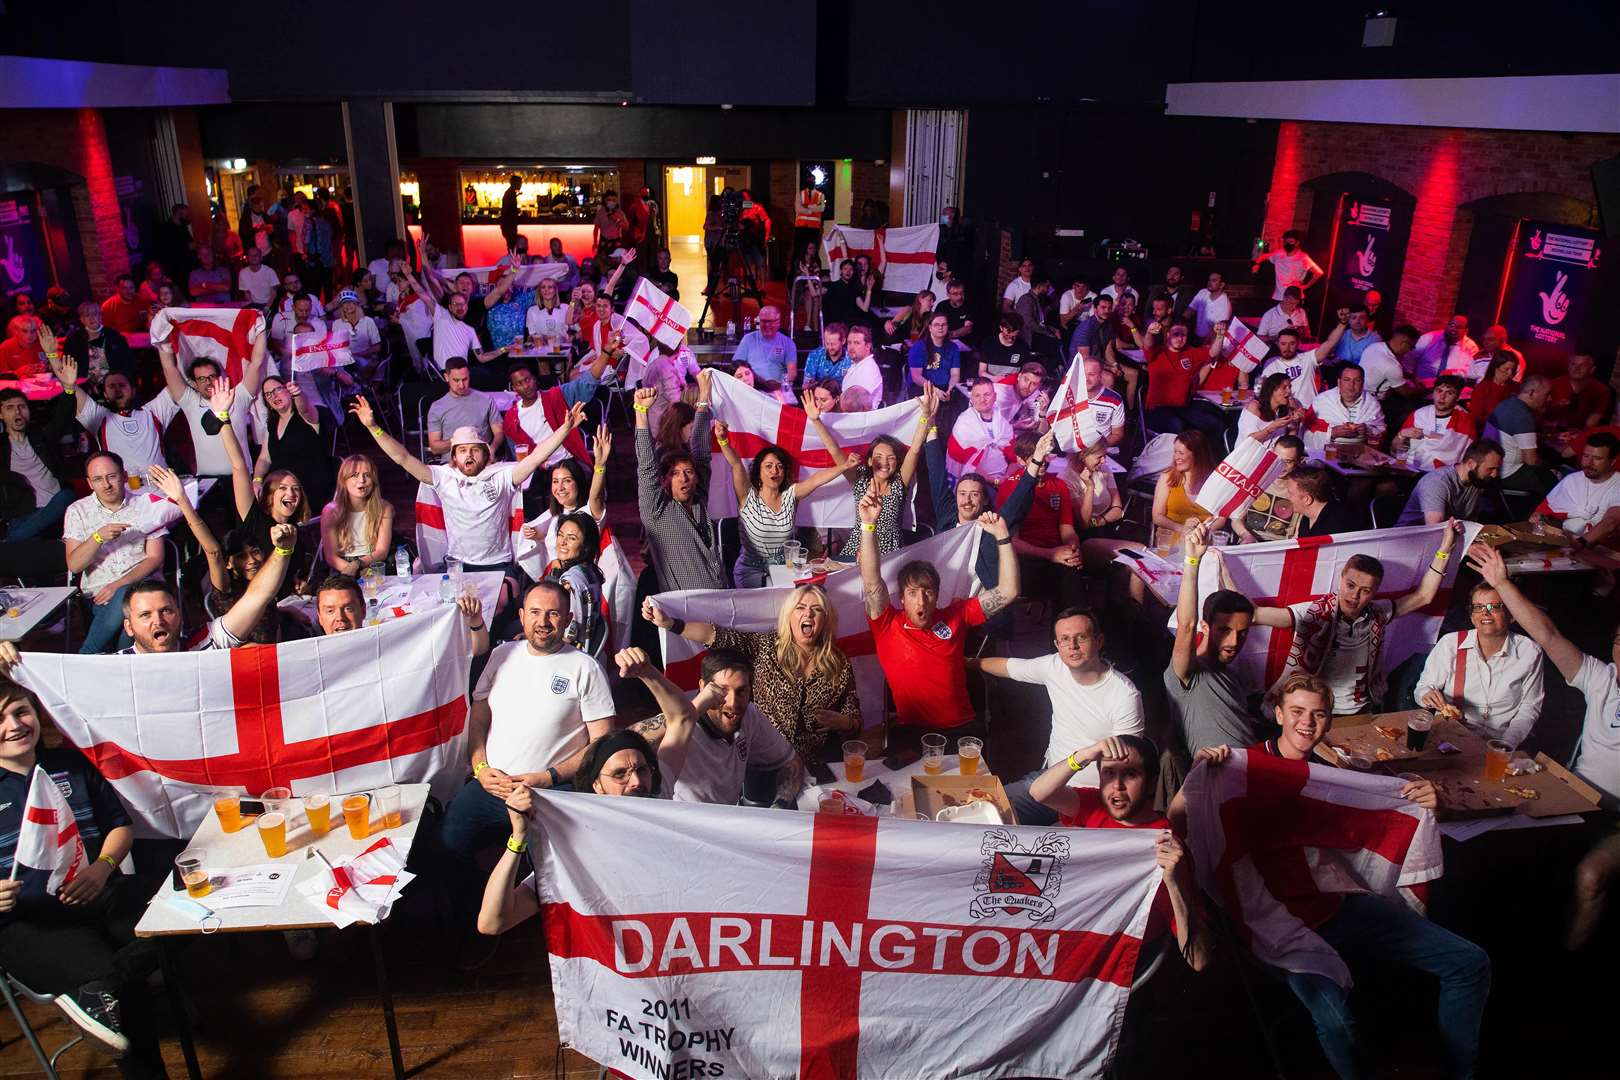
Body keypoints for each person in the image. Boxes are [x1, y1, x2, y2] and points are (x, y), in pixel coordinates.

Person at [1176, 675, 1486, 1080]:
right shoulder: (1241, 767)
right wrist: (1200, 776)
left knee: (1470, 963)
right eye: (1299, 712)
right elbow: (1179, 818)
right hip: (1277, 921)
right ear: (1279, 714)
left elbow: (1382, 806)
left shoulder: (1334, 769)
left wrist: (1425, 798)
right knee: (1338, 1024)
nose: (1308, 723)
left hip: (1340, 905)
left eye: (1319, 715)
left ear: (1328, 722)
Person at [0, 677, 169, 1077]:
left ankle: (94, 994)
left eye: (20, 711)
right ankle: (103, 990)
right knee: (127, 992)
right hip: (26, 922)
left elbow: (119, 827)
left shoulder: (70, 763)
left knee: (179, 915)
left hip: (98, 894)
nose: (14, 725)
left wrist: (102, 867)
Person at [1464, 542, 1619, 950]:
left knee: (1589, 877)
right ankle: (1514, 944)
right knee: (1507, 844)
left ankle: (1567, 969)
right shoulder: (1602, 678)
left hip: (1618, 819)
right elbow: (1547, 635)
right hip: (1576, 799)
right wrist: (1502, 583)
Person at [446, 580, 616, 940]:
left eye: (553, 613)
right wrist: (479, 768)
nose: (543, 621)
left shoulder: (584, 668)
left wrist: (546, 777)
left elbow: (601, 744)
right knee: (445, 845)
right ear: (521, 616)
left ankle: (552, 937)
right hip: (491, 785)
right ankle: (474, 924)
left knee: (562, 869)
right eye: (535, 612)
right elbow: (477, 718)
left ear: (568, 618)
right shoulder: (501, 655)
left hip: (552, 792)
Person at [353, 394, 585, 603]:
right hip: (458, 566)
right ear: (454, 456)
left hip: (498, 565)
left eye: (475, 449)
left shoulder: (502, 476)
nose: (469, 455)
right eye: (462, 450)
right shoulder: (443, 477)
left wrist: (564, 430)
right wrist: (374, 427)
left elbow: (535, 458)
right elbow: (402, 457)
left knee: (499, 603)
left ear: (485, 453)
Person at [1026, 735, 1210, 972]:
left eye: (1131, 774)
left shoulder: (1166, 845)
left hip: (1114, 959)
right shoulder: (1096, 806)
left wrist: (1174, 884)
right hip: (1073, 933)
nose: (1117, 786)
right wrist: (1084, 755)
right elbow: (1040, 792)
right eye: (1109, 773)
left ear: (1152, 784)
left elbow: (1199, 960)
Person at [1246, 524, 1462, 715]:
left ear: (1375, 592)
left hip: (1362, 710)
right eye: (1350, 585)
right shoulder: (1312, 612)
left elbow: (1424, 595)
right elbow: (1254, 614)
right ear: (1341, 579)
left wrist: (1444, 550)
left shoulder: (1379, 612)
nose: (1355, 596)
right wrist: (1220, 566)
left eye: (1365, 590)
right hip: (1315, 709)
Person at [859, 486, 1019, 743]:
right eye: (912, 593)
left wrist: (1002, 537)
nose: (921, 600)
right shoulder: (887, 624)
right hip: (911, 734)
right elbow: (871, 582)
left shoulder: (957, 613)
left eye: (928, 592)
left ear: (937, 595)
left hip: (962, 731)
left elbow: (1009, 591)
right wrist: (868, 526)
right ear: (901, 598)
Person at [475, 728, 664, 935]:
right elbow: (492, 923)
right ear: (597, 785)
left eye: (642, 770)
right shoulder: (576, 856)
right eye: (620, 774)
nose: (636, 782)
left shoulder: (674, 825)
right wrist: (518, 837)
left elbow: (680, 719)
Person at [644, 585, 863, 761]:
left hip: (816, 763)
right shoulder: (765, 647)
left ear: (825, 620)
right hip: (763, 755)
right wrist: (671, 624)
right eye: (800, 608)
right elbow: (715, 635)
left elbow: (855, 721)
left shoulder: (838, 663)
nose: (808, 613)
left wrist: (843, 723)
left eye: (817, 610)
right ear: (789, 616)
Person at [981, 608, 1145, 822]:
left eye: (1081, 638)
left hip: (1092, 797)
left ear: (1099, 641)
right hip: (1049, 782)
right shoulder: (1055, 666)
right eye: (1065, 639)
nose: (1072, 646)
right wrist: (966, 662)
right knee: (984, 811)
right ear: (1057, 645)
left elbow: (1128, 764)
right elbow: (1009, 667)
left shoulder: (1124, 695)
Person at [715, 399, 852, 587]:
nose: (774, 471)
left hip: (784, 570)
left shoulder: (790, 496)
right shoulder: (748, 496)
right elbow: (736, 464)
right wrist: (723, 440)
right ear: (759, 471)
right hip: (750, 572)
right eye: (769, 466)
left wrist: (844, 466)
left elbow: (815, 480)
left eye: (779, 467)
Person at [1166, 523, 1264, 754]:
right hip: (1219, 777)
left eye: (1242, 634)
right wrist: (1193, 561)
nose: (1233, 643)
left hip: (1256, 769)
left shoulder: (1232, 677)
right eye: (1224, 631)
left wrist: (1224, 573)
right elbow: (1186, 625)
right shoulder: (1187, 672)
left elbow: (1245, 611)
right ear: (1205, 626)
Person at [1414, 579, 1544, 747]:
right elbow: (1423, 688)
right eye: (1478, 607)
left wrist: (1506, 744)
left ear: (1511, 615)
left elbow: (1529, 709)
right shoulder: (1451, 644)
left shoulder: (1529, 651)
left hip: (1502, 739)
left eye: (1495, 607)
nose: (1485, 613)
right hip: (1452, 736)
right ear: (1472, 617)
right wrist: (1427, 695)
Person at [61, 451, 168, 655]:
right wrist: (97, 538)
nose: (106, 484)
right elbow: (74, 565)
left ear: (124, 476)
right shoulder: (77, 511)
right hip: (100, 598)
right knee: (129, 624)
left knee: (128, 597)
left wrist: (119, 584)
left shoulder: (146, 505)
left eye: (112, 476)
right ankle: (119, 667)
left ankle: (85, 656)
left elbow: (156, 558)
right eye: (98, 479)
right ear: (90, 483)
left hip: (146, 592)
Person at [813, 385, 934, 559]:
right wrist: (816, 421)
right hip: (855, 553)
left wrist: (925, 417)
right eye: (878, 456)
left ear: (897, 462)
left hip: (890, 556)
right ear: (869, 461)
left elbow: (914, 449)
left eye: (890, 458)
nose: (884, 462)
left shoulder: (900, 482)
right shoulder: (860, 478)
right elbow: (834, 450)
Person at [633, 380, 727, 592]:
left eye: (688, 472)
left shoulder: (699, 499)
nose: (683, 478)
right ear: (664, 479)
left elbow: (702, 454)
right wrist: (641, 411)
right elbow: (647, 466)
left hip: (718, 601)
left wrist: (703, 397)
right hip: (686, 613)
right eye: (675, 474)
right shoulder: (658, 512)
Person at [154, 333, 266, 498]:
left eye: (211, 376)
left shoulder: (238, 396)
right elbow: (169, 368)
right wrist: (161, 336)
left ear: (221, 376)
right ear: (195, 383)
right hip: (206, 481)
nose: (207, 382)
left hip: (241, 479)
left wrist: (260, 331)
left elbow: (256, 364)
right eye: (201, 378)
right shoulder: (190, 401)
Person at [53, 357, 175, 478]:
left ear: (133, 391)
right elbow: (68, 382)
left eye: (122, 385)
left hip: (160, 487)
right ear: (105, 395)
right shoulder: (99, 418)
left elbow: (177, 380)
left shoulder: (155, 411)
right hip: (123, 491)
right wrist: (51, 354)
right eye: (111, 386)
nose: (117, 390)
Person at [0, 386, 76, 541]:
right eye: (10, 408)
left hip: (58, 509)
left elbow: (63, 415)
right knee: (30, 541)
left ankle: (12, 541)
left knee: (67, 496)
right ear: (0, 414)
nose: (17, 412)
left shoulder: (42, 436)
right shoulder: (1, 447)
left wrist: (68, 389)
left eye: (22, 406)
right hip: (24, 517)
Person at [253, 374, 335, 511]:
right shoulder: (272, 424)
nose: (273, 396)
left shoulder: (308, 416)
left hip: (308, 487)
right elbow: (264, 458)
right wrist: (257, 480)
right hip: (279, 488)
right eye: (268, 394)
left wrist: (298, 394)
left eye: (277, 390)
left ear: (288, 390)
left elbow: (305, 409)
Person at [1138, 320, 1226, 445]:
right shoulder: (1156, 352)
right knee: (1179, 425)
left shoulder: (1190, 352)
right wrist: (1149, 332)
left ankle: (1212, 462)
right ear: (1168, 335)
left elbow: (1213, 352)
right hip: (1157, 409)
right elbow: (1147, 344)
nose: (1179, 338)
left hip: (1183, 408)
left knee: (1216, 424)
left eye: (1183, 335)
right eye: (1176, 334)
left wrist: (1220, 335)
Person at [541, 513, 610, 661]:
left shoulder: (569, 581)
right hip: (589, 652)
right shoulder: (590, 571)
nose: (562, 542)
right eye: (560, 535)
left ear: (585, 546)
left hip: (569, 658)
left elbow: (569, 636)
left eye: (572, 538)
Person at [1533, 431, 1620, 545]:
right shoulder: (1572, 480)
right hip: (1566, 541)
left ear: (1612, 461)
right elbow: (1544, 513)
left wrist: (1581, 543)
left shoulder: (1617, 483)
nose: (1589, 463)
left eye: (1597, 458)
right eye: (1586, 456)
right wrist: (1541, 519)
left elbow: (1611, 522)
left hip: (1603, 546)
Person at [319, 454, 397, 579]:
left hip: (372, 561)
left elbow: (382, 551)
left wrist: (359, 565)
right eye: (355, 475)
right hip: (342, 566)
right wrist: (352, 570)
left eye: (367, 475)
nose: (362, 480)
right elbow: (331, 557)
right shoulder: (331, 511)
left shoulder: (384, 508)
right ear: (344, 480)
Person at [1395, 439, 1504, 526]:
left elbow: (1470, 523)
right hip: (1412, 541)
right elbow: (1435, 530)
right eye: (1490, 469)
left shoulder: (1477, 481)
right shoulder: (1437, 482)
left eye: (1497, 469)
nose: (1495, 474)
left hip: (1445, 542)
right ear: (1471, 464)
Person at [1259, 316, 1348, 411]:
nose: (1287, 348)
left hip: (1310, 411)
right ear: (1277, 344)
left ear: (1298, 343)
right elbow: (1264, 390)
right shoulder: (1271, 363)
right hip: (1282, 412)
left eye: (1292, 344)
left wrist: (1343, 323)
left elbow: (1330, 343)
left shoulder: (1308, 358)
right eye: (1283, 344)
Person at [1151, 430, 1221, 550]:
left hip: (1203, 543)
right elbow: (1157, 515)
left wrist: (1202, 531)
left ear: (1197, 454)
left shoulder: (1215, 480)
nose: (1176, 457)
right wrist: (1182, 529)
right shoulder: (1168, 477)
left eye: (1181, 453)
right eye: (1175, 452)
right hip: (1171, 542)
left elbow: (1221, 517)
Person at [1484, 375, 1553, 496]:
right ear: (1532, 393)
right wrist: (1549, 469)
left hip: (1491, 468)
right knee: (1558, 485)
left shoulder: (1506, 404)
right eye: (1547, 394)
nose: (1550, 399)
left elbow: (1514, 437)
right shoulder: (1523, 417)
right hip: (1508, 474)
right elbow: (1531, 460)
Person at [1392, 374, 1475, 470]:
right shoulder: (1419, 414)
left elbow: (1467, 459)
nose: (1442, 397)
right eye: (1439, 391)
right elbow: (1395, 449)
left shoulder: (1465, 421)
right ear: (1433, 393)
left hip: (1442, 475)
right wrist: (1401, 435)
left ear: (1457, 397)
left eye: (1449, 393)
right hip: (1410, 469)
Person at [427, 358, 504, 462]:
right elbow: (435, 448)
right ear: (446, 377)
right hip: (452, 464)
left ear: (469, 376)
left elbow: (499, 432)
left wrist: (492, 449)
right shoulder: (437, 407)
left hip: (482, 460)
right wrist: (463, 439)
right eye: (456, 380)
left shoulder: (486, 400)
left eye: (465, 379)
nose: (461, 385)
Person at [1233, 435, 1305, 543]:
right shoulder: (1255, 478)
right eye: (1277, 458)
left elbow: (1297, 533)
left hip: (1279, 547)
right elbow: (1236, 519)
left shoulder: (1301, 488)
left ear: (1299, 461)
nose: (1281, 465)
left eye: (1288, 461)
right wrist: (1246, 535)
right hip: (1249, 541)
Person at [946, 377, 1016, 482]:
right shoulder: (964, 423)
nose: (982, 400)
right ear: (972, 399)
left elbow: (1014, 458)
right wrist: (994, 481)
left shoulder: (1003, 423)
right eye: (977, 395)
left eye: (987, 395)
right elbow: (963, 462)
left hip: (1003, 478)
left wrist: (1006, 478)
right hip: (974, 481)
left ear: (995, 396)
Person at [1307, 364, 1386, 452]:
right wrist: (1332, 433)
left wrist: (1368, 430)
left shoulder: (1372, 404)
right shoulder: (1322, 401)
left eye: (1357, 380)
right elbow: (1307, 434)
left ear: (1363, 383)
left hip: (1360, 454)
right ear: (1339, 382)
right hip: (1326, 453)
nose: (1351, 384)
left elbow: (1381, 432)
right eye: (1347, 380)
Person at [62, 302, 133, 391]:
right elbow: (67, 364)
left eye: (95, 314)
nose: (92, 318)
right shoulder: (74, 339)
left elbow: (127, 363)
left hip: (113, 384)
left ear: (100, 316)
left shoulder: (114, 336)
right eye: (87, 315)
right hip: (84, 386)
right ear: (81, 319)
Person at [1285, 462, 1366, 536]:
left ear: (1307, 500)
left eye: (1290, 493)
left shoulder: (1337, 528)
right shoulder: (1307, 518)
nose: (1287, 497)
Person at [1544, 352, 1612, 439]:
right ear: (1568, 366)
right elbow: (1541, 414)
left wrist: (1577, 437)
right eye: (1573, 364)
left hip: (1579, 436)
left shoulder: (1601, 390)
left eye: (1582, 365)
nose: (1576, 368)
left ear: (1592, 369)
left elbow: (1591, 423)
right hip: (1550, 434)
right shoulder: (1553, 384)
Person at [1238, 372, 1309, 446]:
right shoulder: (1255, 407)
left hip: (1273, 455)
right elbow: (1248, 441)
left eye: (1289, 387)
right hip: (1248, 454)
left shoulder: (1285, 410)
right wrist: (1273, 427)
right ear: (1272, 390)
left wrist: (1294, 424)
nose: (1289, 391)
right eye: (1284, 388)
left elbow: (1288, 445)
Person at [1252, 230, 1324, 300]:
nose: (1288, 244)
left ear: (1297, 243)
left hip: (1294, 298)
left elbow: (1319, 273)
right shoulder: (1279, 254)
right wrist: (1257, 264)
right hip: (1278, 296)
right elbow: (1263, 256)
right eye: (1285, 242)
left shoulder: (1303, 257)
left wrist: (1306, 286)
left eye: (1291, 242)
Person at [733, 305, 796, 385]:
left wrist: (779, 387)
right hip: (752, 388)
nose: (767, 325)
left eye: (770, 322)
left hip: (777, 389)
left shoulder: (788, 343)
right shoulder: (748, 339)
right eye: (764, 321)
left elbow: (792, 374)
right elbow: (737, 367)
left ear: (778, 322)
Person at [1411, 314, 1477, 384]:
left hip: (1449, 389)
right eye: (1452, 325)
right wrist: (1412, 377)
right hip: (1421, 384)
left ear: (1466, 331)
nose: (1454, 329)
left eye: (1459, 327)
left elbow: (1472, 373)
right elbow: (1410, 357)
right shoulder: (1429, 338)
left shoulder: (1471, 348)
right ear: (1447, 325)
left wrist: (1453, 373)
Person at [907, 312, 961, 396]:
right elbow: (916, 377)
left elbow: (955, 374)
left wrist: (949, 390)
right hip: (923, 388)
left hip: (945, 387)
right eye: (936, 324)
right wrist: (935, 391)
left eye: (944, 324)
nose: (940, 327)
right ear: (930, 328)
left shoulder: (953, 347)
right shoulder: (919, 347)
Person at [1468, 349, 1520, 428]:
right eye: (1506, 369)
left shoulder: (1516, 388)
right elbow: (1476, 418)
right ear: (1496, 367)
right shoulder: (1483, 388)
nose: (1510, 373)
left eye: (1512, 370)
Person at [840, 324, 885, 407]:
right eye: (849, 343)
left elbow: (856, 404)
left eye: (856, 343)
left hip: (861, 417)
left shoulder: (868, 369)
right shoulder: (856, 365)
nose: (851, 347)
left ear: (868, 346)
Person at [1186, 271, 1232, 342]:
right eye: (1209, 280)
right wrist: (1179, 324)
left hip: (1209, 341)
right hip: (1195, 337)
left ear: (1222, 285)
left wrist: (1207, 344)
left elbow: (1219, 330)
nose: (1209, 283)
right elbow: (1190, 311)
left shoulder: (1225, 303)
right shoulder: (1203, 292)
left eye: (1214, 280)